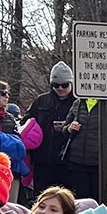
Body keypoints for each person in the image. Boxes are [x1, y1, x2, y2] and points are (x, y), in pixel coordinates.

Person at [26, 63, 79, 193]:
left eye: (64, 85)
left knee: (68, 202)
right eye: (56, 85)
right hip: (43, 161)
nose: (60, 88)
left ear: (71, 83)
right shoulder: (41, 101)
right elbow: (27, 121)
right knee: (41, 198)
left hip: (69, 163)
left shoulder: (79, 102)